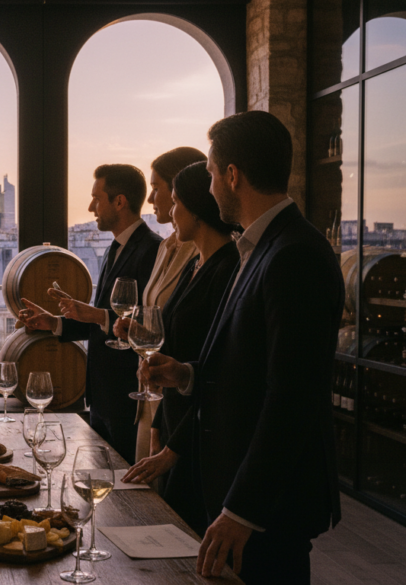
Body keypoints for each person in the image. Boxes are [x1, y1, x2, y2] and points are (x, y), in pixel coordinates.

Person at [141, 111, 343, 583]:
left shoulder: (294, 255)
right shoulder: (263, 246)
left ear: (232, 176)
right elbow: (248, 367)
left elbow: (291, 397)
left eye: (211, 174)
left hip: (269, 507)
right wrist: (185, 373)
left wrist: (243, 511)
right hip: (243, 492)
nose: (208, 188)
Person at [117, 161, 241, 535]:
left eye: (175, 203)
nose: (170, 213)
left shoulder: (227, 269)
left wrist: (173, 445)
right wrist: (159, 424)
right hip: (176, 425)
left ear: (196, 208)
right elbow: (177, 350)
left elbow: (220, 372)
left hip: (198, 439)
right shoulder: (196, 266)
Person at [19, 164, 162, 463]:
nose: (90, 207)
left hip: (126, 399)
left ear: (119, 202)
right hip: (101, 397)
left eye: (96, 198)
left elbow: (147, 325)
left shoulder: (152, 250)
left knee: (126, 496)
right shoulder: (115, 248)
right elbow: (102, 321)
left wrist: (97, 315)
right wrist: (55, 323)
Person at [130, 147, 207, 462]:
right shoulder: (166, 246)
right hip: (153, 390)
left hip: (178, 398)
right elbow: (157, 318)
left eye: (157, 188)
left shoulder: (201, 255)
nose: (150, 199)